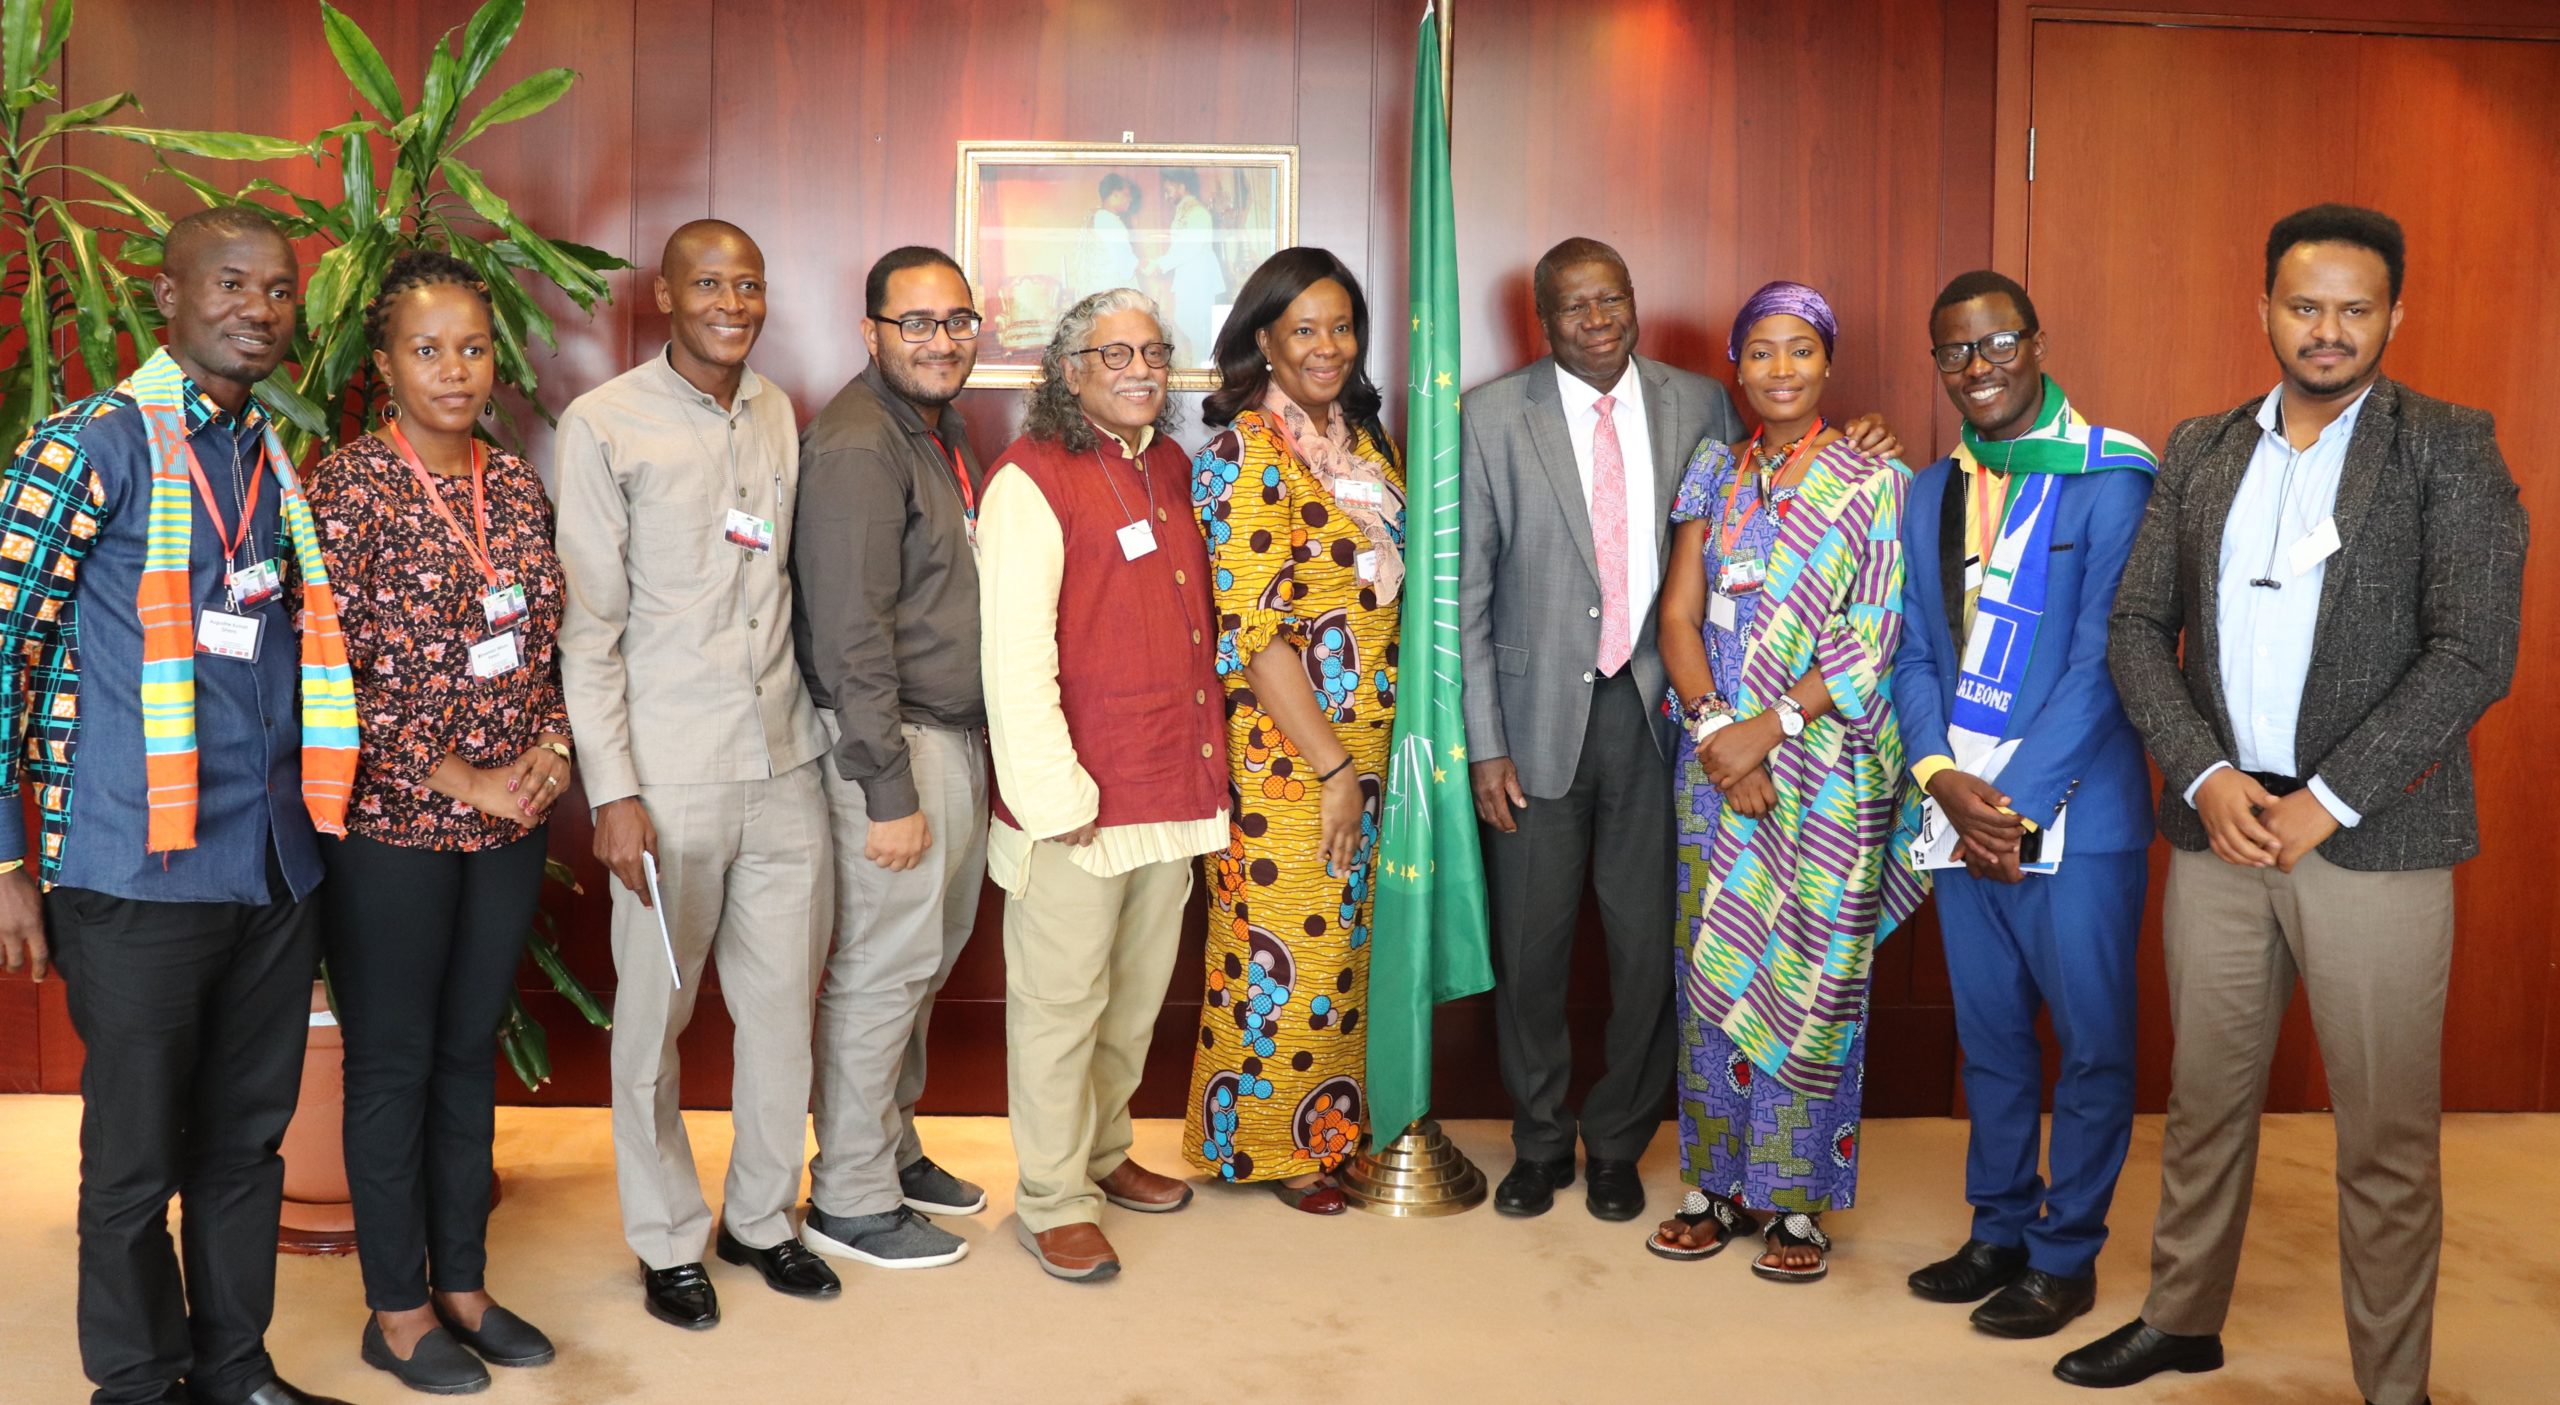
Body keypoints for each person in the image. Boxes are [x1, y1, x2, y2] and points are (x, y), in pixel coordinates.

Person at [2065, 205, 2526, 1405]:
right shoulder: (2203, 446)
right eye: (2304, 306)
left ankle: (2392, 1385)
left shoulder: (2448, 444)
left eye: (2354, 309)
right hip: (2219, 833)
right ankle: (2181, 1318)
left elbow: (2472, 652)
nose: (2327, 331)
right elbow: (2130, 628)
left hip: (2371, 843)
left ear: (2392, 317)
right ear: (2262, 307)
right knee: (2204, 1100)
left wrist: (2328, 798)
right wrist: (2205, 775)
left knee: (2381, 1137)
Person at [1455, 237, 1898, 1222]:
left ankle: (1617, 1141)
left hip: (1662, 722)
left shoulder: (1699, 404)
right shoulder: (1489, 415)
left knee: (1650, 948)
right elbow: (1467, 592)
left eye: (1612, 298)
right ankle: (1538, 1143)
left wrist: (1867, 437)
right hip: (1533, 725)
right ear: (1543, 317)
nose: (1598, 319)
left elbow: (1788, 469)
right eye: (1574, 306)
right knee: (1530, 950)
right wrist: (1483, 741)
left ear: (1635, 301)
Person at [0, 206, 355, 1405]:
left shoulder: (267, 456)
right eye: (231, 283)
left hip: (266, 866)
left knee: (243, 1145)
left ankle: (235, 1371)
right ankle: (139, 1385)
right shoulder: (89, 445)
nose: (259, 308)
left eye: (278, 289)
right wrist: (5, 861)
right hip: (134, 868)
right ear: (167, 299)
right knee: (134, 1159)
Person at [555, 219, 840, 1329]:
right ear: (664, 296)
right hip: (666, 780)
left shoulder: (774, 411)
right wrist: (613, 793)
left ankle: (762, 1220)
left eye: (749, 283)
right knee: (654, 1023)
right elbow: (590, 630)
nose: (733, 301)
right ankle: (667, 1237)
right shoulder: (603, 424)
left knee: (780, 1016)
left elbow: (777, 587)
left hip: (784, 767)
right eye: (708, 282)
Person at [307, 250, 573, 1393]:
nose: (455, 370)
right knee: (395, 1063)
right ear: (385, 365)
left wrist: (552, 748)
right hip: (392, 828)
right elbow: (324, 667)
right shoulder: (346, 488)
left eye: (471, 347)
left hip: (512, 821)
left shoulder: (511, 483)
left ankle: (461, 1279)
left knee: (469, 1053)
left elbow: (548, 633)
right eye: (428, 349)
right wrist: (451, 771)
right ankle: (397, 1306)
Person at [1891, 271, 2156, 1339]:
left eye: (1996, 341)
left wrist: (2011, 800)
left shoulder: (2111, 479)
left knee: (2090, 1044)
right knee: (1991, 1038)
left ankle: (2064, 1253)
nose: (1977, 366)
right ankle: (1996, 1228)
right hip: (1958, 815)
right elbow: (1912, 654)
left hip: (2076, 819)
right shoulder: (1926, 491)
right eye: (1953, 351)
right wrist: (1939, 781)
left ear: (2036, 341)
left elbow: (2107, 661)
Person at [1643, 280, 1920, 1282]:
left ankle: (1796, 1203)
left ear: (1828, 361)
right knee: (1710, 972)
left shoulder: (1874, 480)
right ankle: (1711, 1183)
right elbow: (1677, 617)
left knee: (1814, 982)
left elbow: (1872, 635)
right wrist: (1721, 732)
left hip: (1825, 769)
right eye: (1759, 351)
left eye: (1799, 349)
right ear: (1736, 364)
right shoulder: (1711, 472)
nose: (1780, 370)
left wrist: (1767, 728)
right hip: (1714, 761)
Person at [979, 288, 1227, 1281]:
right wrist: (1053, 799)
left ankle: (1104, 1152)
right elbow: (1014, 660)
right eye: (1112, 352)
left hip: (1170, 787)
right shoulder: (1027, 480)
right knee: (1060, 1006)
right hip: (1074, 808)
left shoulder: (1165, 464)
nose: (1139, 368)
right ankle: (1051, 1195)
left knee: (1129, 1004)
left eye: (1153, 351)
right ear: (1067, 368)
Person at [1182, 247, 1404, 1214]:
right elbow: (1256, 634)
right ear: (1262, 338)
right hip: (1291, 761)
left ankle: (1326, 1130)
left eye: (1341, 326)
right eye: (1303, 328)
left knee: (1340, 955)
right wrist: (1332, 768)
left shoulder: (1362, 442)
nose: (1327, 346)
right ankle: (1267, 1148)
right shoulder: (1243, 452)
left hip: (1367, 745)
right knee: (1282, 956)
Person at [788, 246, 989, 1272]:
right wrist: (887, 789)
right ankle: (852, 1196)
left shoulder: (933, 427)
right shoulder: (860, 444)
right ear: (870, 332)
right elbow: (849, 635)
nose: (941, 339)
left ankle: (891, 1147)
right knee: (881, 970)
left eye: (957, 320)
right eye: (917, 322)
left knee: (921, 964)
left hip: (951, 736)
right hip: (894, 745)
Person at [1151, 168, 1223, 366]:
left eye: (1170, 189)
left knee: (1198, 328)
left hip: (1199, 280)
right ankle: (1198, 366)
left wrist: (1162, 264)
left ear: (1182, 185)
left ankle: (1204, 369)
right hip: (1188, 279)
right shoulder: (1184, 210)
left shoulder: (1198, 212)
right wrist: (1159, 263)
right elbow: (1179, 247)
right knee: (1186, 323)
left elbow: (1191, 247)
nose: (1167, 195)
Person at [1070, 175, 1141, 298]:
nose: (1130, 199)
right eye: (1127, 194)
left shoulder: (1095, 217)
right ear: (1115, 194)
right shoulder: (1111, 221)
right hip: (1109, 292)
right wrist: (1144, 265)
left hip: (1092, 292)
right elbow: (1125, 266)